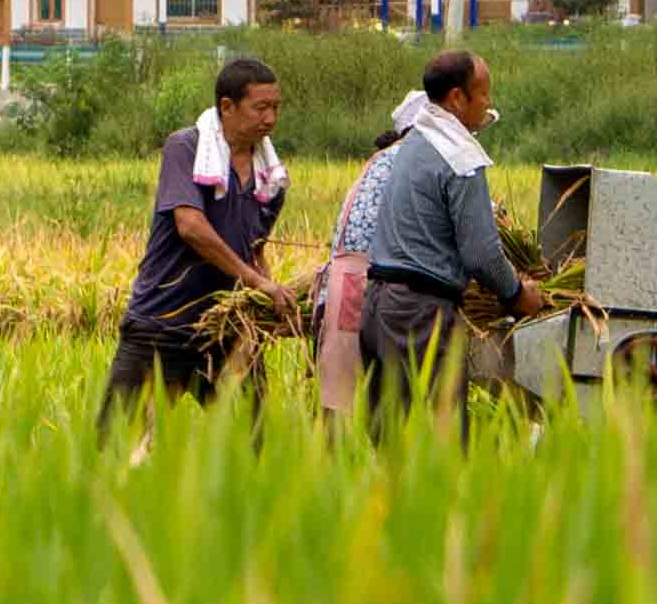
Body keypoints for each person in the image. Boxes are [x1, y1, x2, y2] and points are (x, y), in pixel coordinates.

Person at [316, 48, 525, 419]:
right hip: (421, 313)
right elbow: (482, 254)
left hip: (379, 304)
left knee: (392, 437)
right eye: (485, 93)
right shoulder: (460, 156)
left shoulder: (410, 145)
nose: (490, 103)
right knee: (439, 439)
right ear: (458, 98)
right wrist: (518, 293)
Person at [101, 50, 288, 423]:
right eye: (260, 108)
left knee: (254, 446)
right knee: (118, 444)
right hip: (162, 322)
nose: (270, 119)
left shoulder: (272, 179)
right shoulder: (186, 147)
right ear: (227, 107)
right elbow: (191, 227)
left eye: (276, 108)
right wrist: (256, 282)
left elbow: (255, 250)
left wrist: (268, 300)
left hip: (228, 326)